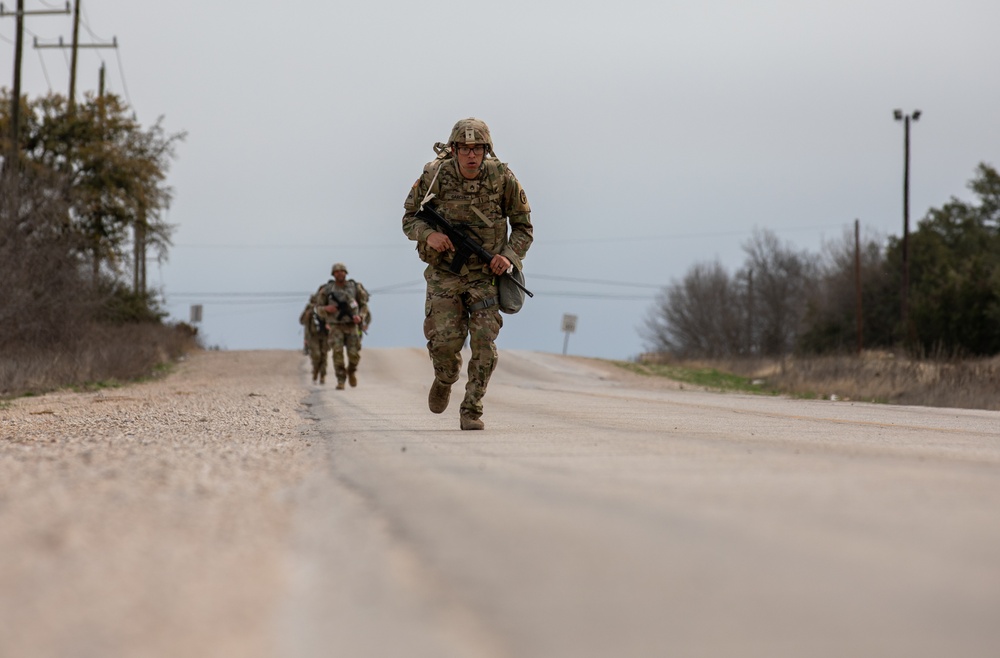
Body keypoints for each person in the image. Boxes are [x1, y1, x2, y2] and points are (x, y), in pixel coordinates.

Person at [402, 117, 533, 430]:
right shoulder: (435, 175)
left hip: (484, 277)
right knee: (445, 344)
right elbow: (409, 218)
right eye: (464, 148)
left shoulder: (502, 178)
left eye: (477, 148)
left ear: (486, 150)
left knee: (485, 344)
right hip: (445, 274)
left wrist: (508, 256)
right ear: (454, 149)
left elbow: (524, 227)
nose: (471, 155)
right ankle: (445, 377)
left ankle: (472, 408)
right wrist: (428, 235)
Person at [315, 263, 369, 390]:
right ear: (333, 274)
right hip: (335, 326)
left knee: (354, 355)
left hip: (352, 326)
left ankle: (351, 371)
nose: (340, 273)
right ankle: (341, 379)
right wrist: (326, 309)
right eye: (337, 272)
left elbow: (364, 305)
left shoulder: (355, 287)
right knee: (337, 353)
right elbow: (317, 308)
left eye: (342, 271)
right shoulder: (327, 289)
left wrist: (360, 317)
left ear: (346, 273)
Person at [299, 291, 330, 384]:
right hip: (313, 336)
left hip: (325, 335)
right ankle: (316, 369)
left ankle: (323, 375)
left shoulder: (325, 308)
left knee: (324, 355)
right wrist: (308, 314)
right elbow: (302, 321)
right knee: (316, 355)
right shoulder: (309, 309)